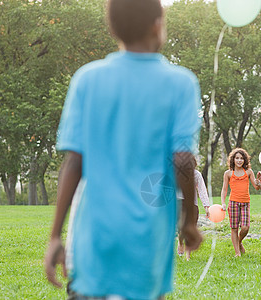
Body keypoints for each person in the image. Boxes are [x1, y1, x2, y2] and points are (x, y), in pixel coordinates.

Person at [44, 0, 203, 299]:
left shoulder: (87, 79)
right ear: (158, 25)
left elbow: (74, 162)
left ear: (113, 29)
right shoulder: (181, 83)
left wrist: (55, 236)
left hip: (96, 230)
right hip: (149, 234)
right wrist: (189, 222)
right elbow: (182, 158)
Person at [221, 148, 259, 257]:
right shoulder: (228, 173)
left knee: (245, 227)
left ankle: (239, 241)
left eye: (241, 158)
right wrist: (223, 202)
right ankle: (237, 253)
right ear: (233, 160)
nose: (239, 160)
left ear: (245, 160)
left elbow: (256, 187)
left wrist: (258, 180)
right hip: (233, 203)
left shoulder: (248, 172)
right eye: (237, 158)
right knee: (234, 228)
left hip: (245, 202)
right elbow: (224, 189)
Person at [177, 157, 210, 261]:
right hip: (178, 202)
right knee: (181, 229)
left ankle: (188, 254)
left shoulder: (197, 174)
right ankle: (180, 242)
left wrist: (206, 206)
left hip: (192, 204)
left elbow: (202, 190)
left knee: (190, 228)